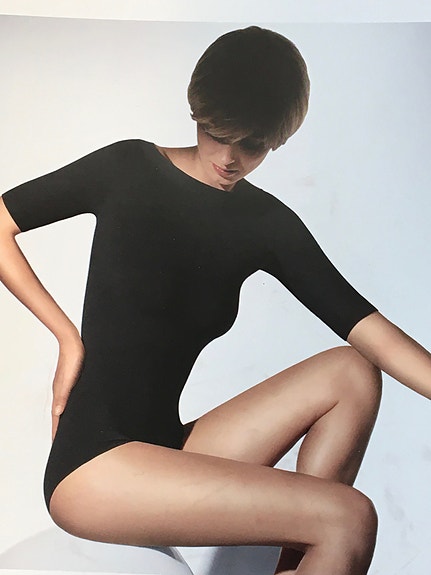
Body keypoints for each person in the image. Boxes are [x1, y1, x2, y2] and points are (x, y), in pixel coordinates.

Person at [0, 25, 429, 575]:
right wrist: (67, 338)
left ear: (277, 138)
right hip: (94, 467)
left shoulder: (265, 222)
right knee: (349, 517)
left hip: (169, 449)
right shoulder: (128, 168)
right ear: (199, 112)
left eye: (252, 145)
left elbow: (371, 330)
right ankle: (322, 534)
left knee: (352, 372)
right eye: (217, 133)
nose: (229, 157)